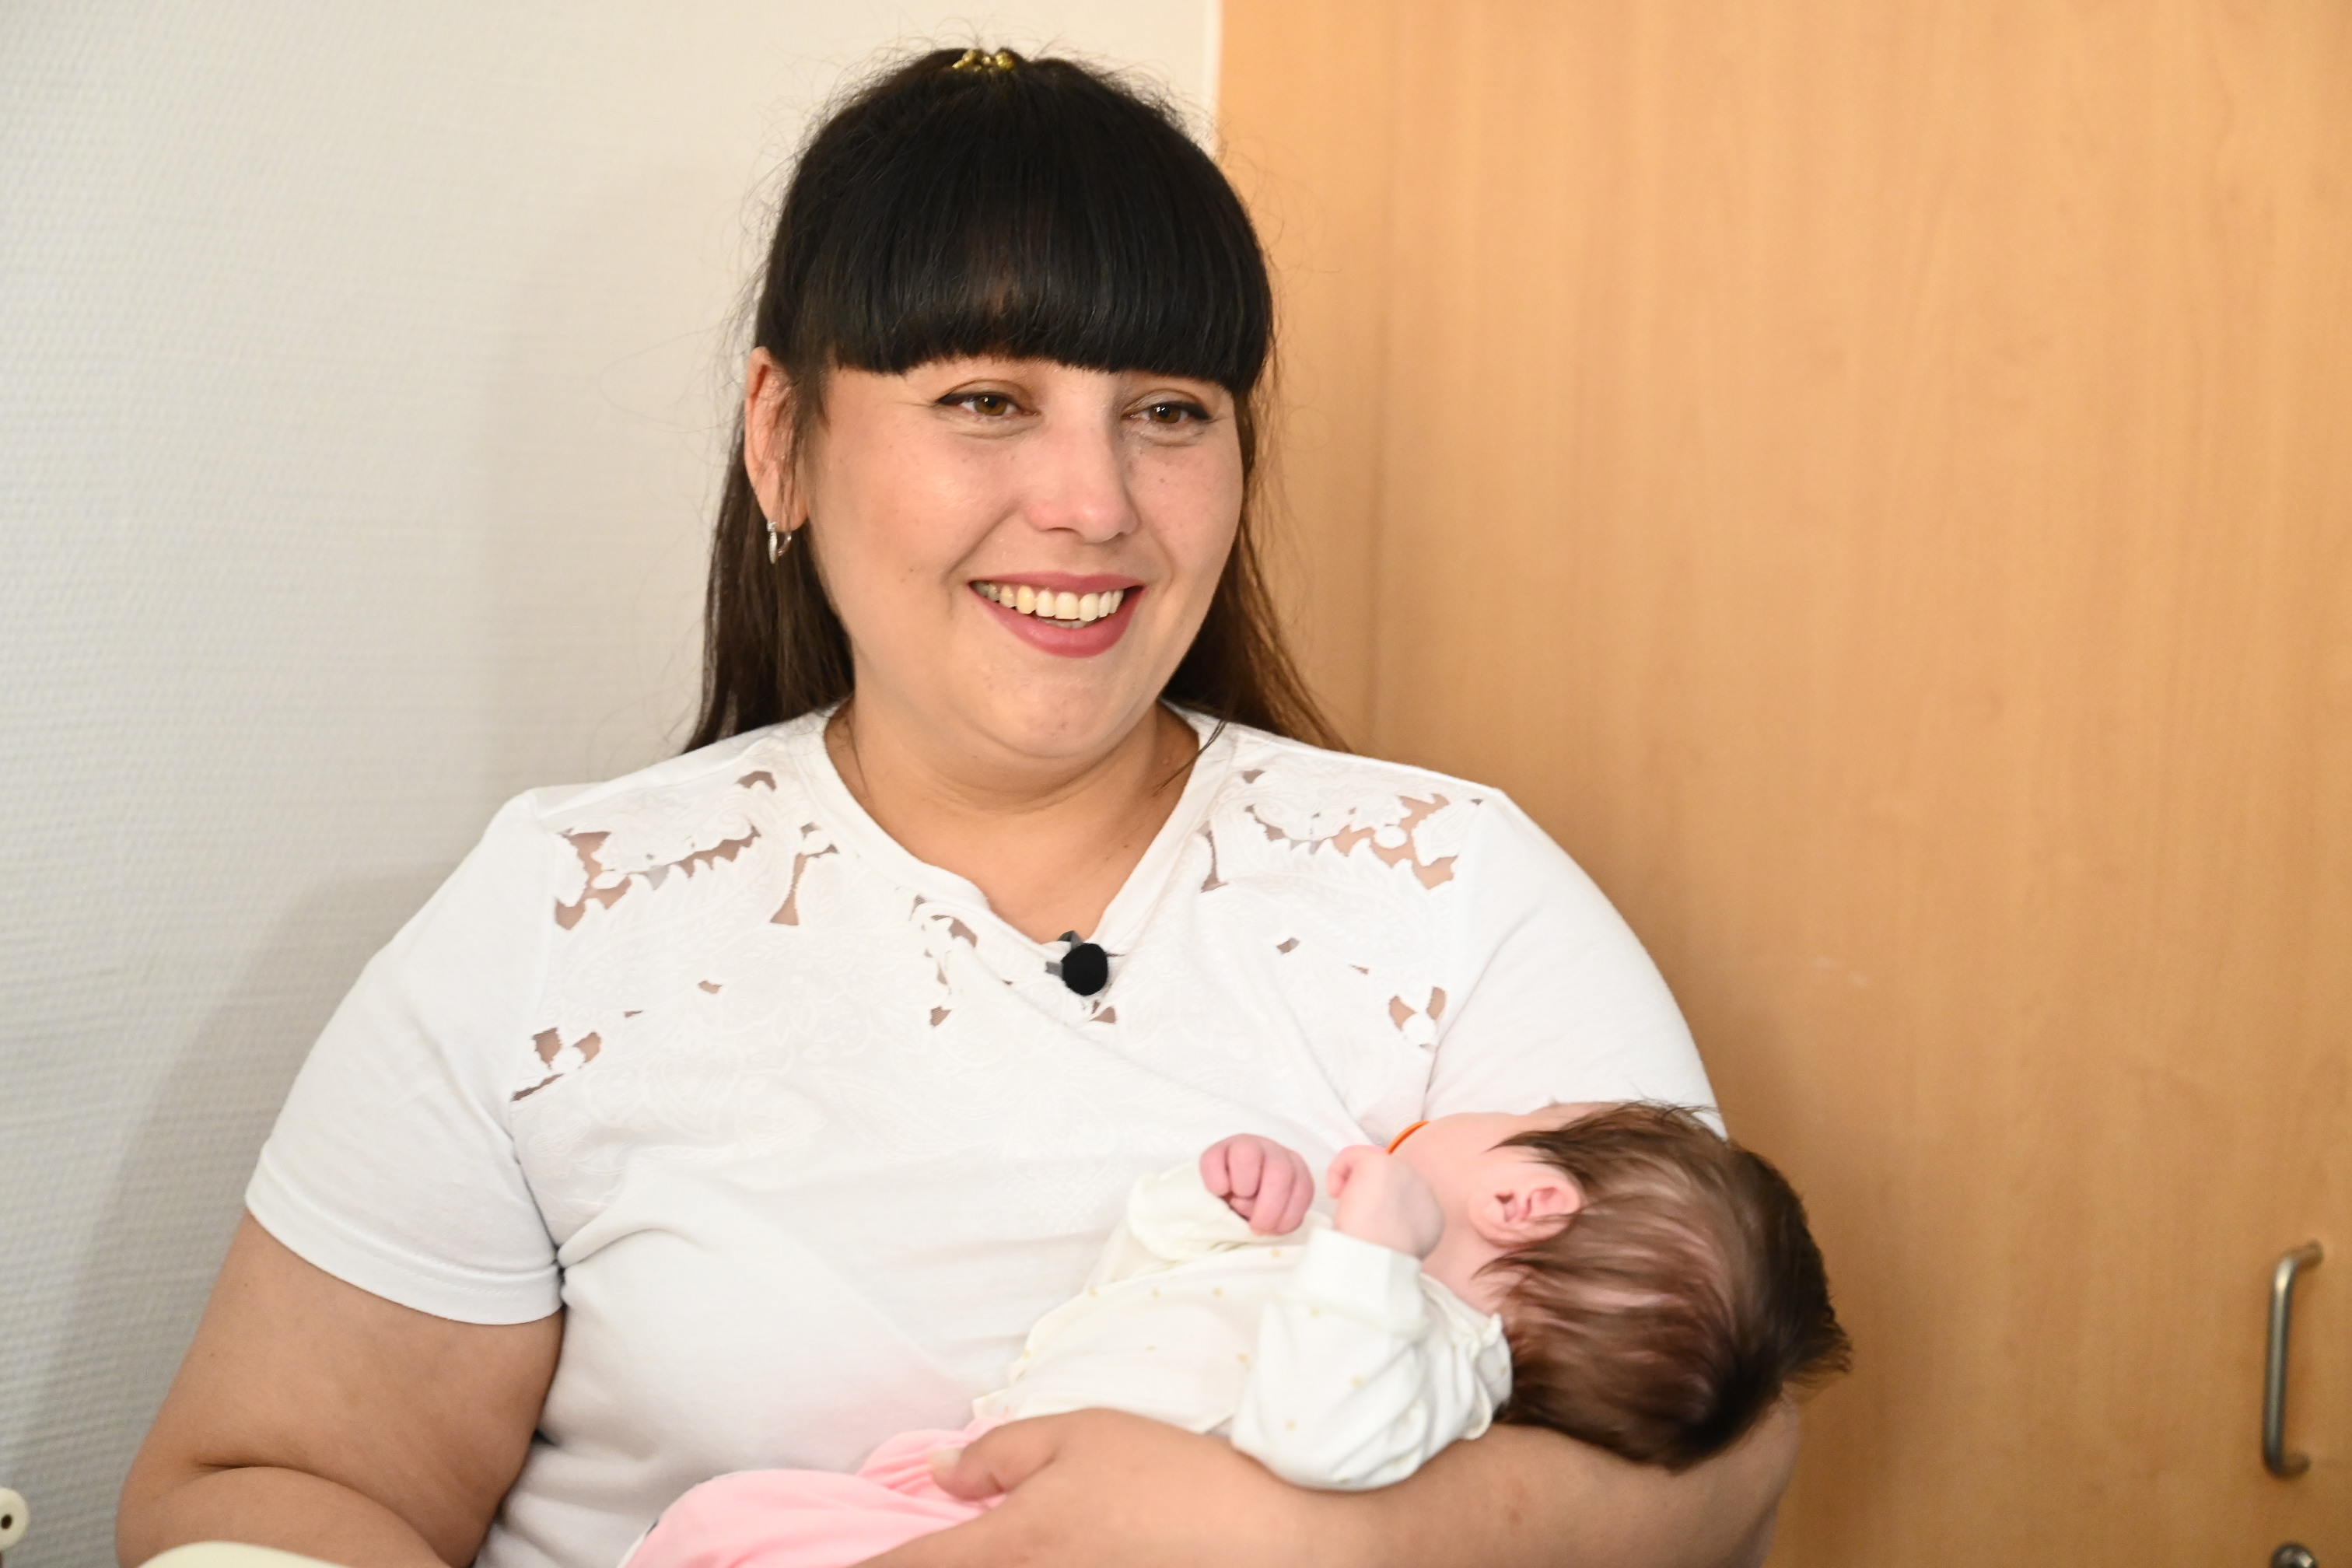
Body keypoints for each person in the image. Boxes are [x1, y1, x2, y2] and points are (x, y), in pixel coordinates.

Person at [119, 46, 1804, 1568]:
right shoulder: (562, 921)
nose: (1092, 502)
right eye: (986, 401)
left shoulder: (1450, 889)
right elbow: (273, 1484)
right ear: (782, 439)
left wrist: (1285, 1540)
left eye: (1168, 413)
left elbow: (1728, 1457)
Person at [623, 1104, 1849, 1568]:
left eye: (1527, 1112)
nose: (1481, 1108)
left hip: (1043, 1539)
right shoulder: (1338, 1286)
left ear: (1525, 1201)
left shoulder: (1438, 1367)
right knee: (728, 1523)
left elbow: (1314, 1439)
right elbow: (1122, 1310)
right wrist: (1212, 1211)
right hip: (964, 1487)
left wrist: (1374, 1248)